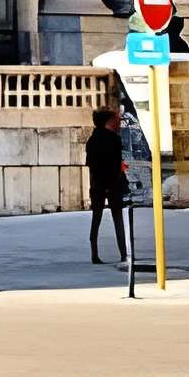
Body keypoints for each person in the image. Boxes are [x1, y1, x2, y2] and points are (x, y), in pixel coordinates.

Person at [85, 107, 128, 263]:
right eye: (115, 119)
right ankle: (123, 253)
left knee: (96, 219)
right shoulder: (114, 139)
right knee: (118, 219)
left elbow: (90, 165)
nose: (118, 122)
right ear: (108, 121)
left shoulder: (92, 140)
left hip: (97, 184)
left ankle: (94, 253)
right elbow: (118, 164)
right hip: (113, 184)